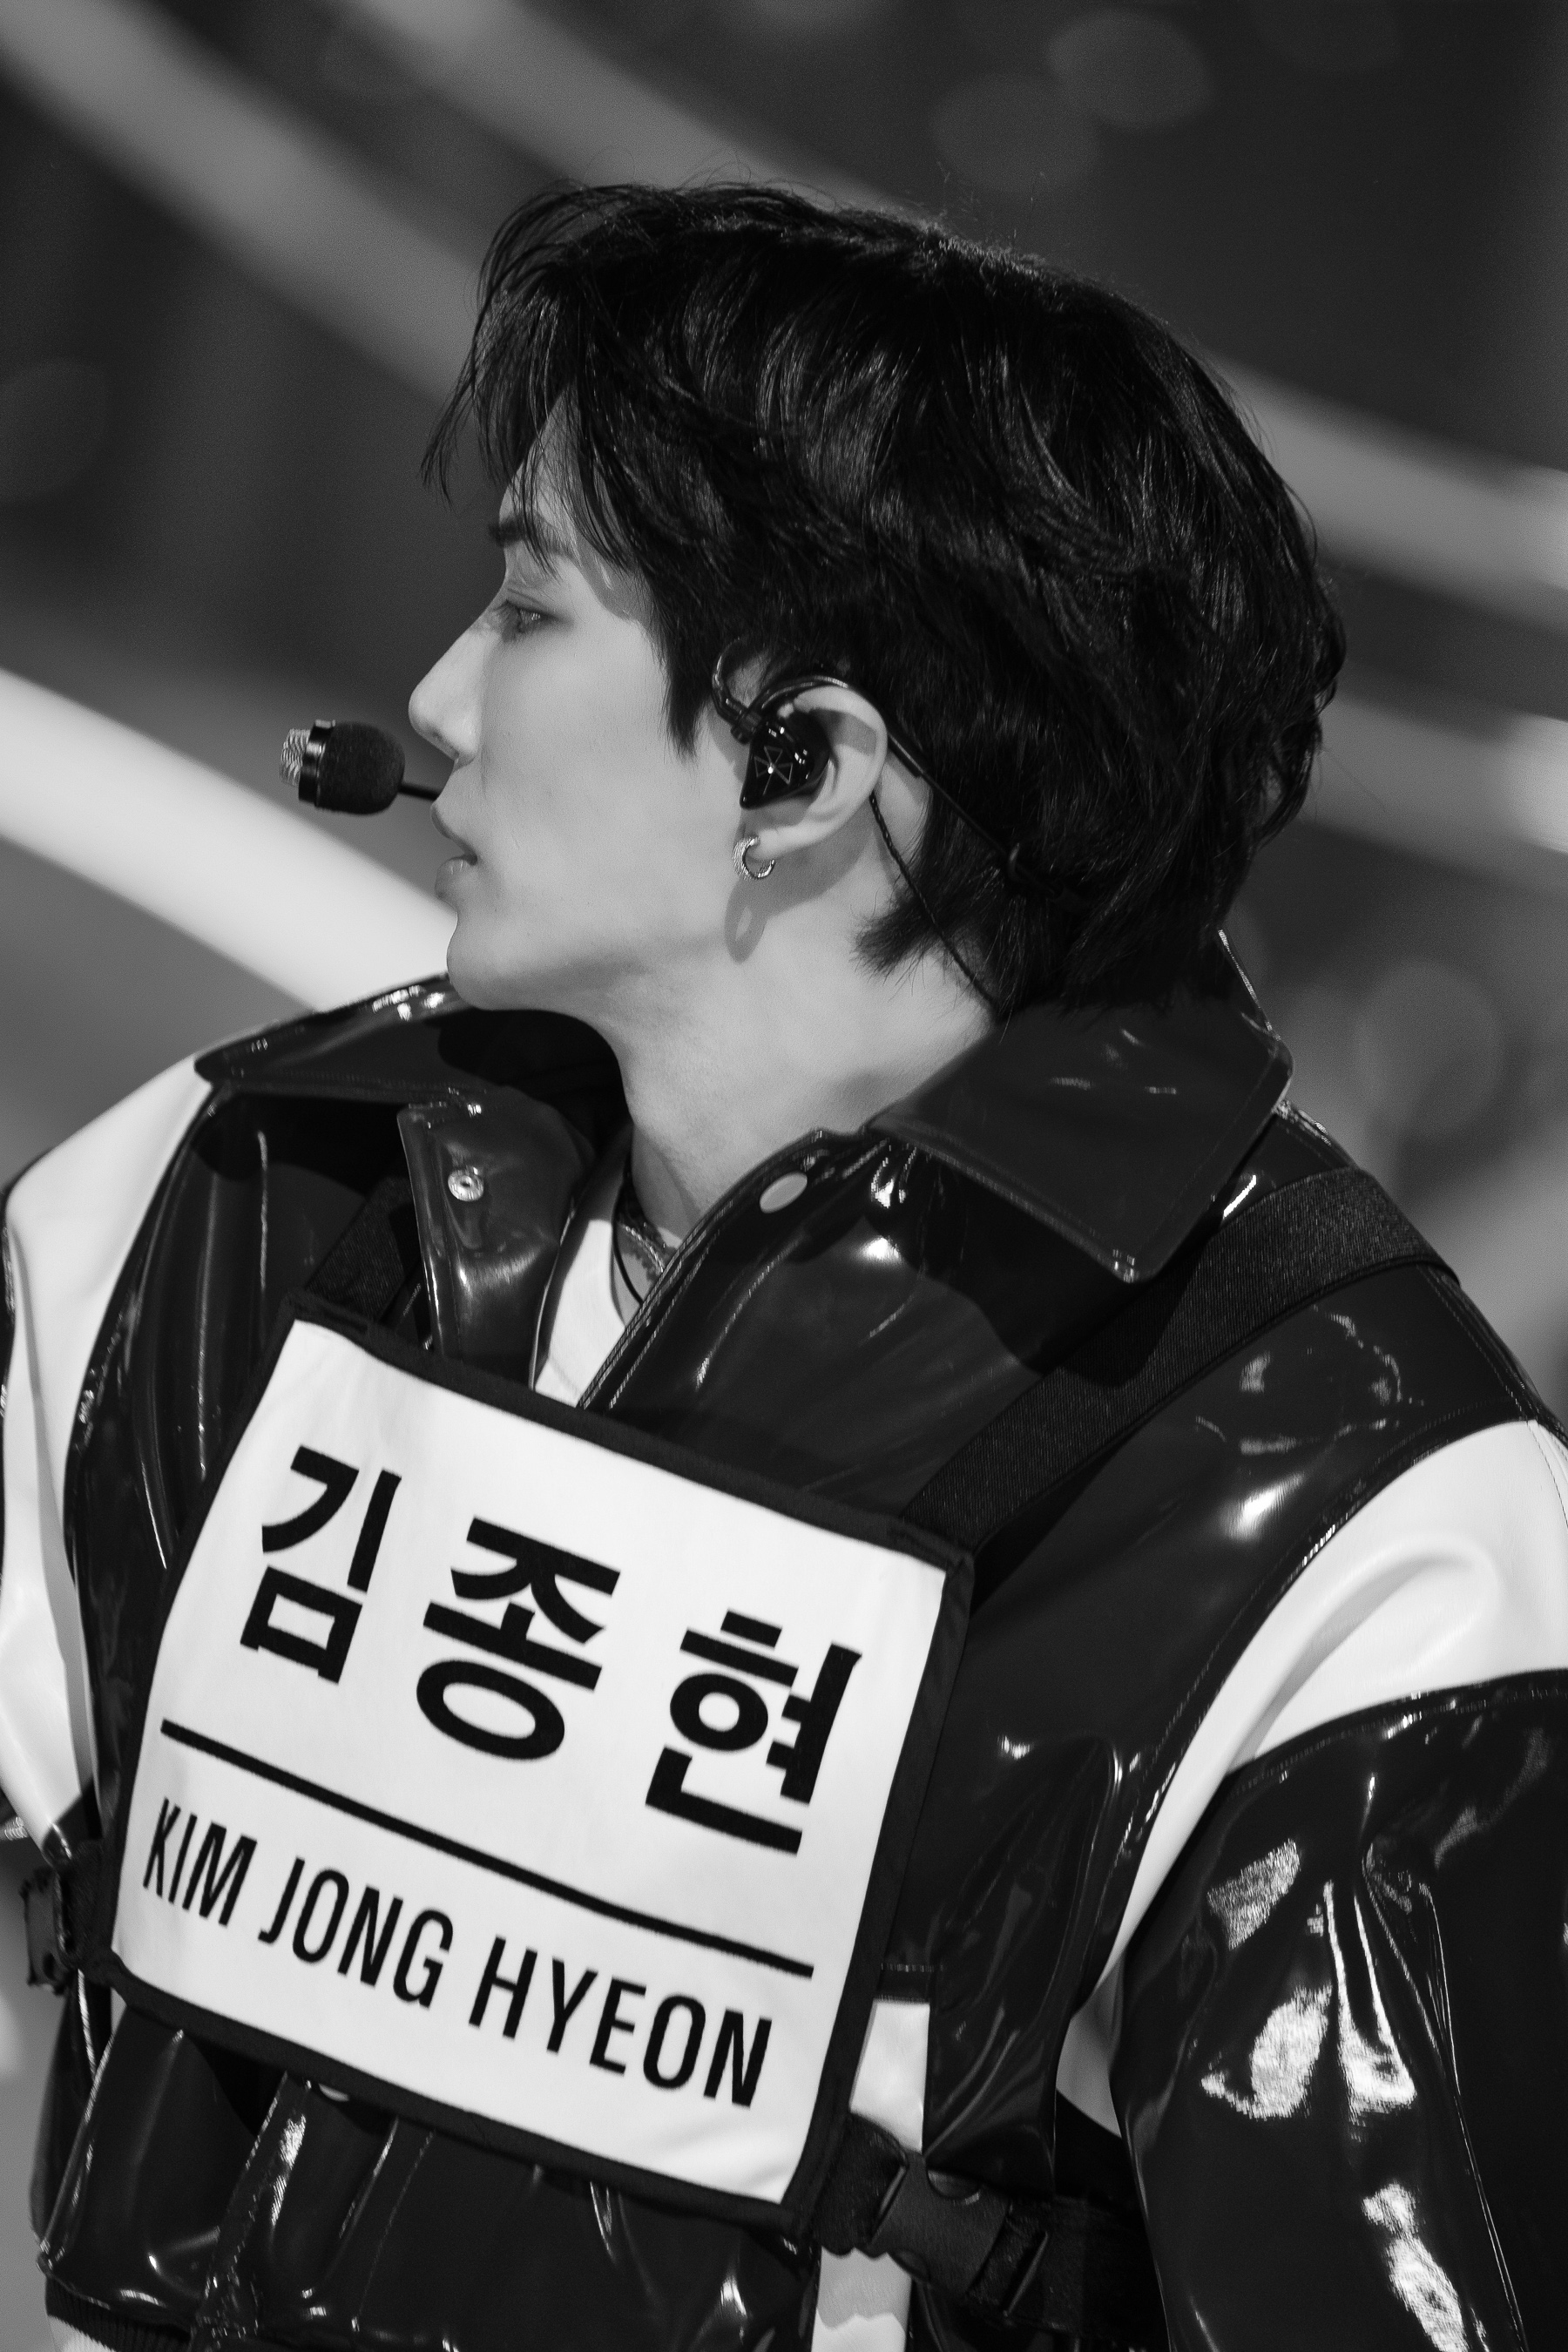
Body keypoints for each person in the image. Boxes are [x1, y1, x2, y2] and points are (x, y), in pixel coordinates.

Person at [2, 184, 1565, 2352]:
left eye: (528, 608)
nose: (437, 696)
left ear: (805, 765)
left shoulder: (1374, 1526)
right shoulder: (231, 1190)